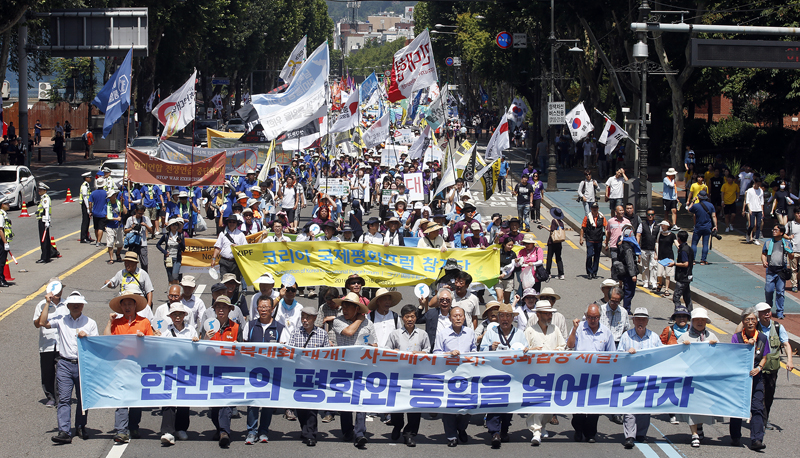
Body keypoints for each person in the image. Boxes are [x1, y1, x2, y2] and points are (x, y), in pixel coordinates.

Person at [37, 291, 97, 444]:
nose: (76, 306)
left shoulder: (90, 323)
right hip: (64, 363)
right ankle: (64, 431)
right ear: (68, 306)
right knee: (63, 399)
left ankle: (80, 426)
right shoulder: (62, 320)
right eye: (73, 304)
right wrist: (47, 303)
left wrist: (87, 338)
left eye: (79, 304)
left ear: (83, 305)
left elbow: (97, 345)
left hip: (82, 364)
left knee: (83, 399)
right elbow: (43, 323)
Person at [735, 303, 795, 431]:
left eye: (768, 311)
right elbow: (737, 333)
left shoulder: (778, 327)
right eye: (763, 312)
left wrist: (789, 361)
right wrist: (747, 317)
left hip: (771, 367)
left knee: (769, 395)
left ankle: (764, 419)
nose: (767, 314)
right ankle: (758, 418)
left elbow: (786, 344)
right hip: (756, 367)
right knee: (757, 395)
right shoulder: (753, 326)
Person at [104, 288, 152, 443]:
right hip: (120, 366)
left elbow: (152, 345)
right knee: (122, 399)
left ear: (135, 306)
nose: (127, 307)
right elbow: (106, 339)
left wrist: (143, 339)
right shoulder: (116, 323)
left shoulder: (144, 322)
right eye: (124, 304)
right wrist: (109, 322)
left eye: (130, 304)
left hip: (138, 366)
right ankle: (121, 430)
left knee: (136, 399)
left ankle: (133, 426)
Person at [478, 303, 527, 448]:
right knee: (494, 403)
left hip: (512, 376)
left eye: (508, 316)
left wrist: (525, 351)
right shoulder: (491, 332)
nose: (505, 319)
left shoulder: (519, 334)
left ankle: (504, 430)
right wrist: (490, 348)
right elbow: (481, 352)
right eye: (502, 316)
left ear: (512, 318)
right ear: (498, 318)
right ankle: (494, 432)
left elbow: (526, 353)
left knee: (508, 404)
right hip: (494, 375)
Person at [240, 296, 286, 444]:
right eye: (261, 307)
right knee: (253, 403)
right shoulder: (251, 325)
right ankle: (251, 432)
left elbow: (285, 351)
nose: (263, 310)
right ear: (257, 309)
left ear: (272, 309)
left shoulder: (280, 328)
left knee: (267, 403)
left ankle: (264, 431)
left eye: (266, 307)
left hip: (271, 373)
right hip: (253, 371)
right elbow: (244, 346)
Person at [331, 292, 375, 448]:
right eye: (344, 306)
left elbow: (373, 344)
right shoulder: (338, 321)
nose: (345, 309)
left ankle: (360, 433)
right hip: (343, 368)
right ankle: (347, 431)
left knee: (360, 401)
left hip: (361, 368)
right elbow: (349, 332)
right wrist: (360, 319)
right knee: (345, 403)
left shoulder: (368, 324)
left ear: (357, 308)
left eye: (349, 306)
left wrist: (371, 347)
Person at [567, 303, 614, 442]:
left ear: (600, 317)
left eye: (596, 317)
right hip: (579, 374)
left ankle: (591, 433)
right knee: (579, 406)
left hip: (598, 376)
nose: (592, 320)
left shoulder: (606, 332)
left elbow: (612, 355)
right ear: (585, 316)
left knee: (594, 407)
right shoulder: (579, 327)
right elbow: (570, 345)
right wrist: (574, 330)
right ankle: (578, 430)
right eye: (590, 317)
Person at [386, 304, 431, 446]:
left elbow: (428, 351)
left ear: (416, 318)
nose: (410, 319)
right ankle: (397, 425)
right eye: (407, 317)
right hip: (399, 375)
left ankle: (410, 433)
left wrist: (421, 353)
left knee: (414, 407)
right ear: (402, 318)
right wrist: (395, 351)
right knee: (398, 405)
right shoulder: (395, 334)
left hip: (416, 376)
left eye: (412, 316)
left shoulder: (423, 334)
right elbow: (386, 351)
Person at [617, 307, 662, 449]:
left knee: (644, 408)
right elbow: (618, 355)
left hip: (648, 378)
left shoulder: (654, 337)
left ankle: (641, 434)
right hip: (630, 377)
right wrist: (626, 353)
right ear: (633, 321)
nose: (640, 322)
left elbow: (662, 354)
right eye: (638, 319)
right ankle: (629, 436)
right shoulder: (626, 336)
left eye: (643, 319)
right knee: (630, 408)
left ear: (647, 321)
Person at [523, 300, 566, 445]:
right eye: (546, 314)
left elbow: (562, 346)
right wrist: (531, 351)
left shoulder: (556, 329)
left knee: (549, 403)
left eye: (550, 313)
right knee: (536, 402)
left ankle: (544, 425)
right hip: (534, 374)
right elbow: (523, 350)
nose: (549, 316)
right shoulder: (530, 331)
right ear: (539, 314)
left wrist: (553, 352)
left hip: (553, 372)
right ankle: (536, 431)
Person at [434, 306, 476, 447]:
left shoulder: (470, 333)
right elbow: (436, 353)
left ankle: (462, 428)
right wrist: (448, 354)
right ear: (450, 318)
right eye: (455, 316)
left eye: (460, 316)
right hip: (449, 376)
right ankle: (451, 435)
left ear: (464, 317)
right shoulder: (442, 334)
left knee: (467, 407)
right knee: (449, 407)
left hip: (466, 376)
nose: (458, 318)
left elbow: (475, 352)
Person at [727, 307, 768, 450]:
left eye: (753, 319)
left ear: (757, 321)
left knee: (757, 408)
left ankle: (757, 439)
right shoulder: (737, 337)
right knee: (738, 407)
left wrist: (759, 368)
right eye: (747, 319)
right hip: (739, 378)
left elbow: (764, 357)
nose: (750, 322)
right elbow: (731, 356)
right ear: (743, 322)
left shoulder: (762, 338)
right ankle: (735, 436)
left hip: (756, 378)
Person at [290, 306, 331, 447]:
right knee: (301, 407)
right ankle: (305, 429)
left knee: (312, 407)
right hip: (299, 374)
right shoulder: (296, 332)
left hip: (315, 375)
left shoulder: (322, 334)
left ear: (314, 318)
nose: (305, 320)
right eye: (303, 317)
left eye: (308, 317)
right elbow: (290, 351)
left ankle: (311, 434)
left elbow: (327, 354)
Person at [677, 308, 718, 447]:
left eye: (703, 320)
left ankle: (699, 426)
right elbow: (675, 358)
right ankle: (694, 433)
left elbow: (721, 357)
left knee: (703, 406)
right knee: (691, 405)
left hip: (706, 379)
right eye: (697, 319)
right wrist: (682, 348)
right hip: (689, 379)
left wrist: (715, 348)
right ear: (692, 321)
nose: (700, 322)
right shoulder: (684, 337)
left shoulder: (712, 336)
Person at [158, 303, 199, 446]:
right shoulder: (166, 332)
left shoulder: (191, 330)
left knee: (183, 399)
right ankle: (167, 431)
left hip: (186, 370)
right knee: (168, 400)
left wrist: (196, 342)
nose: (177, 317)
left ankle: (181, 428)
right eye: (174, 314)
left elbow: (198, 351)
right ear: (170, 316)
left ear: (184, 316)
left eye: (180, 314)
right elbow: (159, 349)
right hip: (169, 371)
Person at [203, 296, 239, 447]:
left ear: (230, 309)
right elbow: (200, 349)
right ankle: (219, 429)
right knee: (214, 408)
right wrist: (205, 338)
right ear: (214, 310)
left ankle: (225, 432)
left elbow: (244, 350)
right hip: (212, 372)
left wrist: (238, 347)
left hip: (230, 372)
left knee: (226, 403)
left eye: (224, 307)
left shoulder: (236, 327)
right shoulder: (208, 326)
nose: (221, 310)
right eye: (218, 307)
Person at [33, 279, 67, 408]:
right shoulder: (41, 305)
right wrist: (47, 304)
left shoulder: (66, 304)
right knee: (47, 372)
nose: (58, 292)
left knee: (62, 372)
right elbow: (37, 324)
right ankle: (50, 396)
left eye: (60, 289)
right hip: (46, 344)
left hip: (62, 343)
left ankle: (61, 397)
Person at [762, 224, 793, 319]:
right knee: (769, 290)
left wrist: (789, 251)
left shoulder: (786, 243)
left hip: (781, 271)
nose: (774, 231)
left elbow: (791, 257)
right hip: (771, 270)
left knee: (780, 292)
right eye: (773, 229)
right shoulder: (768, 242)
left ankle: (780, 312)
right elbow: (764, 254)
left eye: (776, 230)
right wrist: (764, 261)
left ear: (782, 232)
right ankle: (768, 307)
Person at [211, 215, 247, 282]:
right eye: (230, 222)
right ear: (228, 223)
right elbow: (217, 247)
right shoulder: (222, 234)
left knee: (235, 282)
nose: (232, 223)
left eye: (234, 222)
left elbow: (245, 249)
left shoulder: (241, 234)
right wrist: (213, 258)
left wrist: (238, 247)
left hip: (236, 262)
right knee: (224, 282)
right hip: (224, 262)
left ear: (236, 223)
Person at [687, 190, 717, 265]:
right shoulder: (711, 205)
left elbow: (689, 210)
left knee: (694, 243)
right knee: (705, 244)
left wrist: (693, 201)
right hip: (707, 227)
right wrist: (715, 226)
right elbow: (714, 216)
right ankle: (703, 260)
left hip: (698, 226)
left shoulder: (696, 206)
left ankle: (693, 259)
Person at [615, 226, 640, 312]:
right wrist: (633, 275)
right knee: (629, 292)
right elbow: (630, 262)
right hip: (628, 274)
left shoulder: (621, 246)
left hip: (623, 272)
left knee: (625, 291)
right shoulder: (628, 248)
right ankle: (626, 310)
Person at [669, 230, 694, 311]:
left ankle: (679, 314)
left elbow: (685, 263)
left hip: (682, 277)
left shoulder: (683, 250)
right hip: (688, 276)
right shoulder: (689, 248)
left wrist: (675, 264)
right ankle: (690, 313)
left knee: (676, 297)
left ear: (679, 239)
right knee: (687, 297)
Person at [580, 202, 606, 279]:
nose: (595, 209)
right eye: (593, 208)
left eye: (596, 208)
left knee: (597, 256)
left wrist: (606, 240)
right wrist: (581, 238)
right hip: (590, 239)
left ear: (598, 208)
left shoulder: (602, 217)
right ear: (591, 209)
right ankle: (589, 271)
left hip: (598, 239)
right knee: (589, 255)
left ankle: (594, 272)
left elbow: (605, 228)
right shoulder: (587, 217)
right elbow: (583, 228)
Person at [156, 217, 185, 284]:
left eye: (176, 224)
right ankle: (170, 290)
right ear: (170, 227)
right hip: (168, 258)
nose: (175, 226)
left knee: (175, 275)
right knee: (170, 277)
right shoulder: (166, 236)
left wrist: (180, 243)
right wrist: (164, 252)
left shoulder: (180, 235)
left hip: (177, 258)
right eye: (173, 225)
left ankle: (177, 289)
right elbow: (158, 245)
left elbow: (183, 248)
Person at [654, 220, 678, 296]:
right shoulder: (659, 234)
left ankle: (666, 289)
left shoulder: (672, 235)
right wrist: (655, 253)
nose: (662, 226)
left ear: (667, 226)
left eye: (663, 225)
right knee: (659, 274)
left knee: (668, 274)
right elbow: (657, 243)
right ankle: (660, 283)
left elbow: (676, 243)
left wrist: (680, 248)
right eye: (661, 225)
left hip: (669, 256)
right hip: (660, 256)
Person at [542, 207, 566, 279]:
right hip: (559, 242)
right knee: (558, 258)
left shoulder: (554, 221)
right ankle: (561, 274)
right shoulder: (561, 223)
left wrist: (543, 227)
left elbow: (552, 230)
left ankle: (548, 273)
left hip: (552, 242)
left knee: (549, 258)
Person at [36, 183, 56, 263]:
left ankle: (44, 257)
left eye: (41, 190)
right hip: (44, 220)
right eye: (39, 189)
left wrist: (47, 221)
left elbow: (46, 209)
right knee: (46, 239)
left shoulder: (45, 198)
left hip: (43, 220)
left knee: (44, 239)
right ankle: (47, 256)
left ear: (45, 190)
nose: (39, 191)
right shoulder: (43, 198)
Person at [639, 209, 658, 289]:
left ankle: (653, 282)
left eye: (652, 214)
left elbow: (658, 239)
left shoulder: (658, 226)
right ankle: (645, 281)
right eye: (649, 214)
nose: (650, 216)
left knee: (654, 266)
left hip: (653, 250)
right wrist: (638, 248)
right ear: (646, 215)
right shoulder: (642, 224)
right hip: (644, 248)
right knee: (645, 266)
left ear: (654, 215)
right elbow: (638, 235)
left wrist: (657, 251)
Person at [744, 177, 764, 244]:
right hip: (752, 209)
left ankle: (756, 238)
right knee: (752, 225)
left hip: (759, 209)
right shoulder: (750, 190)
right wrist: (749, 209)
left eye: (759, 184)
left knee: (758, 224)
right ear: (755, 183)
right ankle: (748, 234)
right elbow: (747, 201)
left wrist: (762, 210)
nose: (758, 186)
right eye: (757, 184)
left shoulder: (761, 191)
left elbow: (762, 201)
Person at [89, 178, 107, 247]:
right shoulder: (105, 193)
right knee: (101, 228)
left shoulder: (93, 193)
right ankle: (99, 241)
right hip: (103, 213)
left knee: (96, 227)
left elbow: (90, 203)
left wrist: (90, 211)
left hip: (95, 212)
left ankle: (97, 240)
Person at [786, 210, 800, 292]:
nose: (799, 215)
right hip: (794, 250)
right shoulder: (790, 224)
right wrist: (788, 238)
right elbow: (783, 233)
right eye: (798, 213)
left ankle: (798, 280)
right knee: (793, 269)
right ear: (795, 214)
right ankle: (794, 285)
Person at [78, 173, 94, 243]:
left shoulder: (87, 185)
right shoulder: (84, 186)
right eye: (89, 177)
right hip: (85, 204)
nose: (91, 178)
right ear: (86, 178)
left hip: (87, 204)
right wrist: (88, 207)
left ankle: (86, 236)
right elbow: (85, 197)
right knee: (85, 221)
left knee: (87, 221)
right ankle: (83, 238)